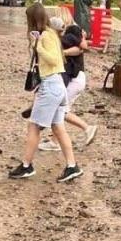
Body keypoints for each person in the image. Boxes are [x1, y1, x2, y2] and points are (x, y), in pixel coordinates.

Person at [9, 3, 83, 182]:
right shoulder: (50, 33)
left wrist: (37, 46)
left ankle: (26, 165)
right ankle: (72, 166)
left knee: (34, 126)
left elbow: (54, 58)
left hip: (50, 86)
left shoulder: (46, 36)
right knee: (57, 127)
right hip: (56, 85)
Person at [39, 16, 97, 151]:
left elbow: (81, 48)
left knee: (62, 110)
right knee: (59, 110)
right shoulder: (71, 36)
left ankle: (87, 128)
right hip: (77, 79)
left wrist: (60, 52)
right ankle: (54, 141)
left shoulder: (69, 36)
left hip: (75, 80)